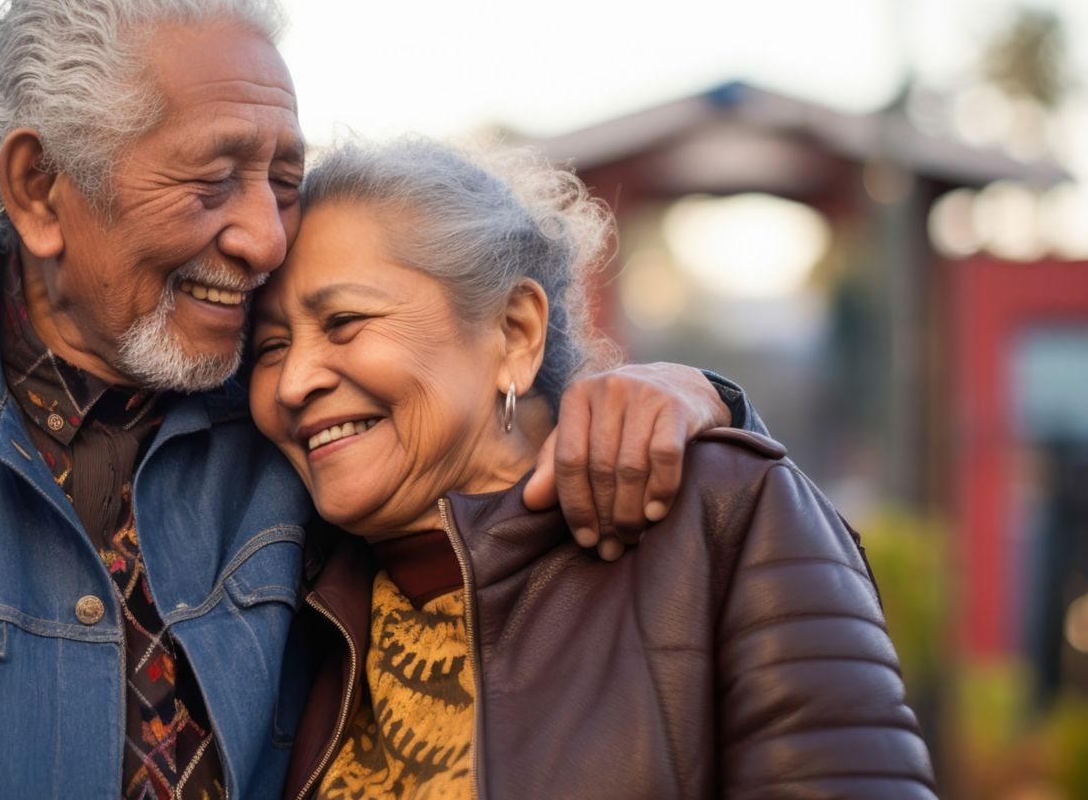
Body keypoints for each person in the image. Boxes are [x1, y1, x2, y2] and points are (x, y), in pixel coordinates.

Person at [0, 0, 763, 797]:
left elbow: (491, 463)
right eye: (213, 180)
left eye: (284, 178)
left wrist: (688, 397)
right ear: (42, 189)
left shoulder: (302, 429)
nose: (261, 236)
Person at [247, 137, 937, 799]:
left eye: (343, 321)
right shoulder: (277, 598)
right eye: (270, 346)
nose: (293, 382)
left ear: (514, 332)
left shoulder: (719, 513)